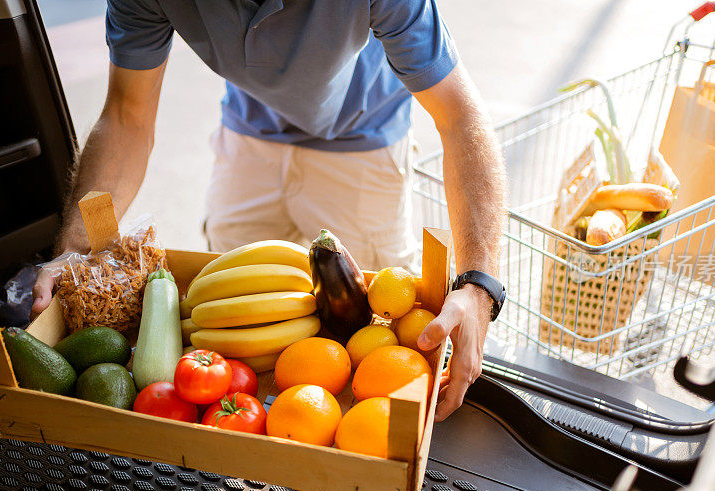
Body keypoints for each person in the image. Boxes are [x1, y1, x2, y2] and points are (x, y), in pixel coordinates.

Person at [31, 0, 507, 421]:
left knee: (376, 335)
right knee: (228, 327)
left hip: (364, 142)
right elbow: (125, 117)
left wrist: (480, 288)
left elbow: (461, 117)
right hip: (248, 135)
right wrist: (75, 249)